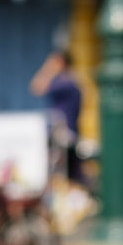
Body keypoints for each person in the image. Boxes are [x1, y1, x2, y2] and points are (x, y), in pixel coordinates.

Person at [29, 50, 83, 183]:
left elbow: (37, 87)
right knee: (70, 173)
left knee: (64, 172)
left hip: (64, 133)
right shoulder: (71, 81)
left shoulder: (66, 82)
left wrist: (48, 69)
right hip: (67, 132)